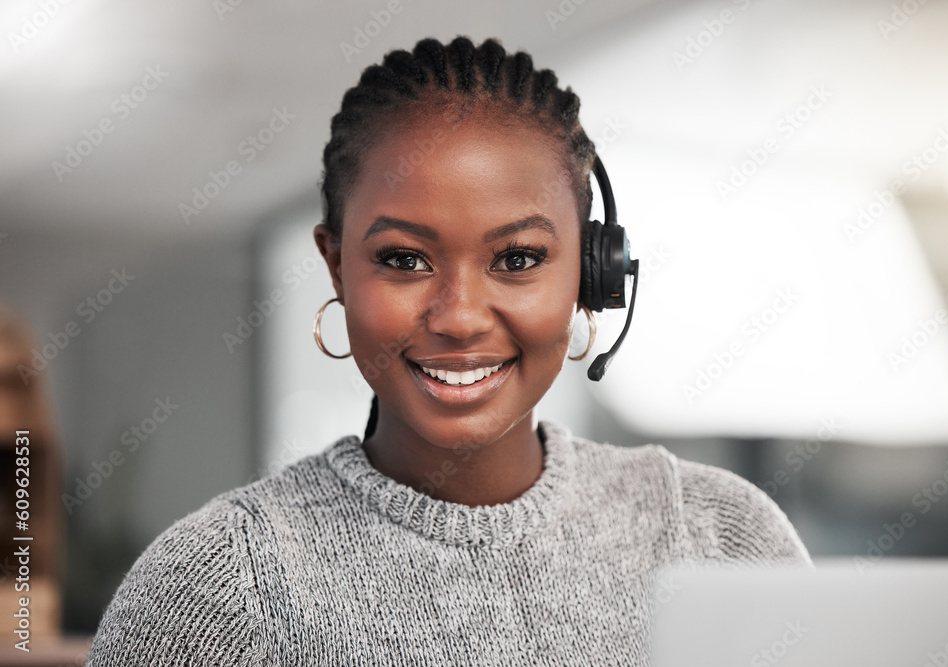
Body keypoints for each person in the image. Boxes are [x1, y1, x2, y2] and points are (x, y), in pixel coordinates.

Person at [86, 35, 810, 666]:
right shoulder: (215, 584)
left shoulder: (720, 536)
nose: (459, 317)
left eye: (519, 258)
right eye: (404, 260)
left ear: (593, 275)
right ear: (337, 267)